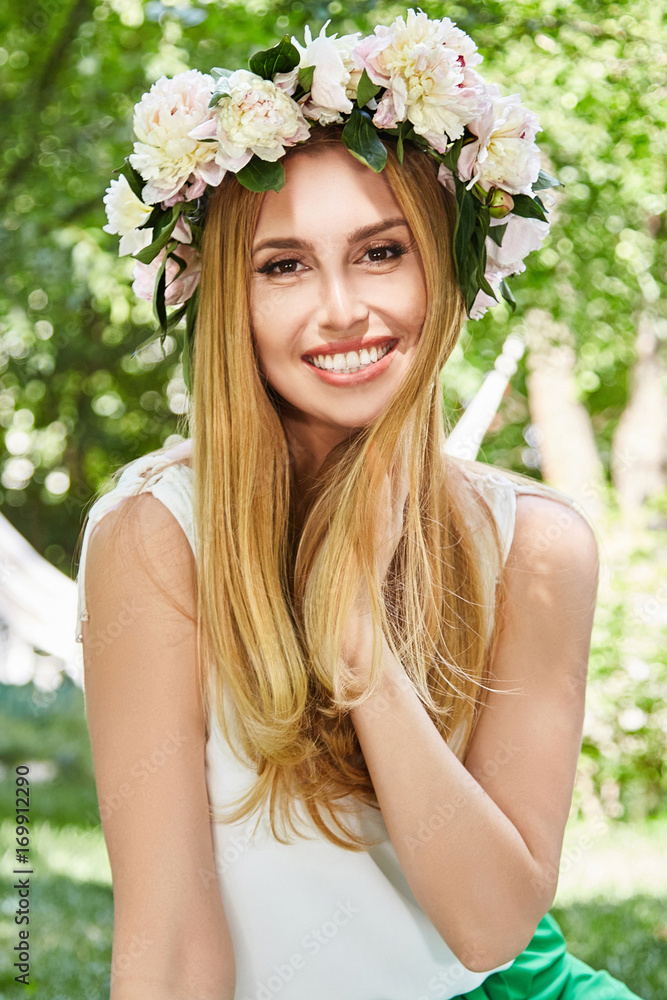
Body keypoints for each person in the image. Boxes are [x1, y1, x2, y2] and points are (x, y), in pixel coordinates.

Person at [75, 13, 644, 1000]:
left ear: (448, 266)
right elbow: (166, 950)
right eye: (284, 265)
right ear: (229, 299)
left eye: (381, 252)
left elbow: (491, 929)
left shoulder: (535, 544)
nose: (341, 309)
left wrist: (360, 658)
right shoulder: (157, 536)